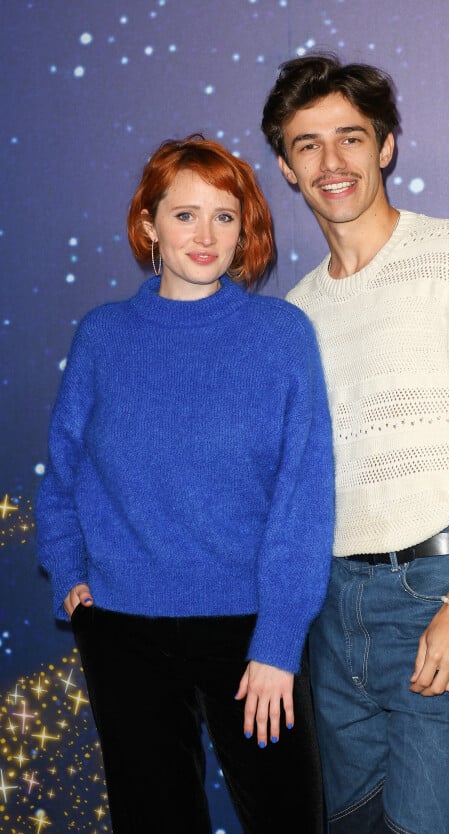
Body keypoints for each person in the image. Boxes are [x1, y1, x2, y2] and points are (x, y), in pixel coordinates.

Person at [261, 54, 449, 834]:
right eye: (307, 144)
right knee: (352, 824)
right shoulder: (295, 314)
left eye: (350, 138)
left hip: (438, 591)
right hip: (331, 609)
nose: (332, 163)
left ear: (385, 146)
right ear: (286, 168)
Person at [35, 134, 334, 834]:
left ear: (246, 229)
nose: (206, 235)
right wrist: (68, 571)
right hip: (122, 628)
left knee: (289, 817)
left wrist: (278, 642)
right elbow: (63, 471)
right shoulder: (103, 336)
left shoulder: (281, 334)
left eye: (225, 216)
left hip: (249, 629)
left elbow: (304, 499)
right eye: (185, 215)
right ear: (149, 225)